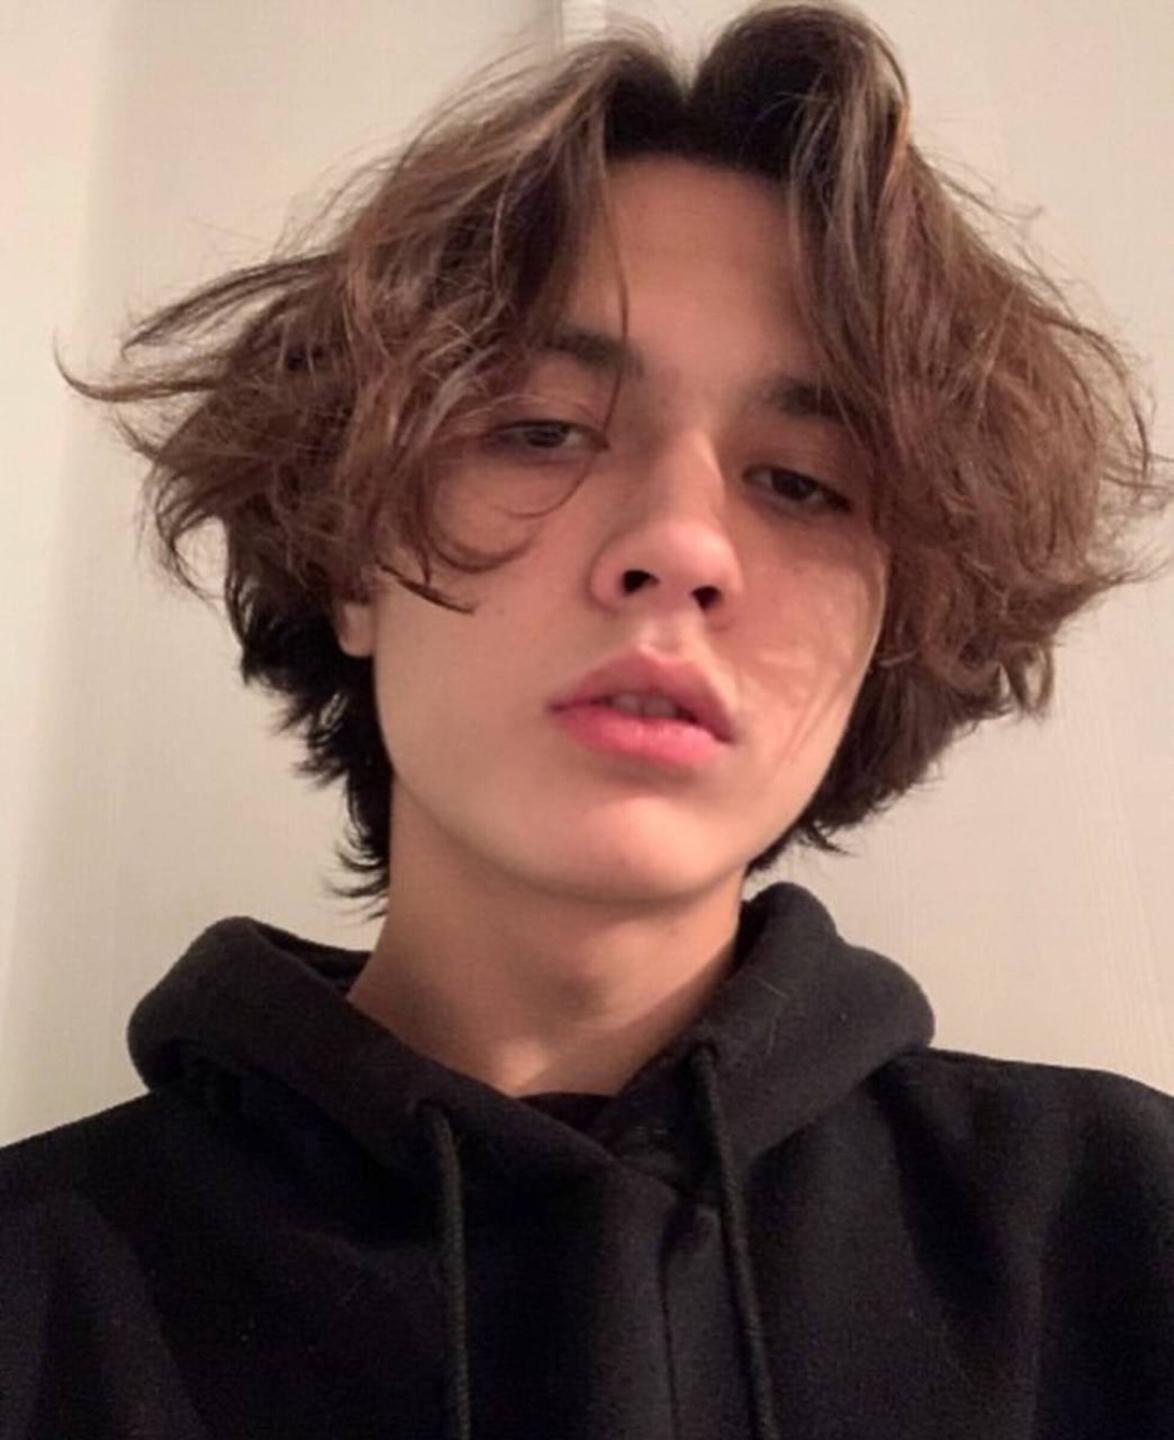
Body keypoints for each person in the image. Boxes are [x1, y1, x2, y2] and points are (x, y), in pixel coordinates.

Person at [2, 4, 1172, 1437]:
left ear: (893, 627)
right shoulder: (37, 1292)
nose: (679, 544)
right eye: (539, 430)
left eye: (802, 481)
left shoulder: (1118, 1236)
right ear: (354, 561)